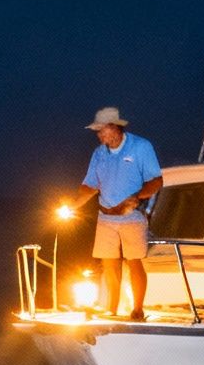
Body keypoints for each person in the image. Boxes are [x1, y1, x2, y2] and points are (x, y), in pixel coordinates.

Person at [62, 106, 164, 321]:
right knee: (109, 262)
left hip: (132, 215)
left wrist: (136, 198)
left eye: (102, 130)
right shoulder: (99, 154)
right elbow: (90, 185)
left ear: (116, 128)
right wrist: (72, 205)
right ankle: (112, 308)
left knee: (134, 260)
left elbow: (156, 181)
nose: (99, 135)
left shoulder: (141, 147)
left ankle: (137, 309)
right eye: (97, 131)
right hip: (105, 215)